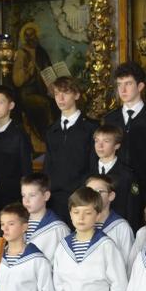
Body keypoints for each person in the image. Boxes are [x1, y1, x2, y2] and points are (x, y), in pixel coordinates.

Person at [104, 62, 146, 208]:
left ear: (140, 86)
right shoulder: (110, 119)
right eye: (119, 84)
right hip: (114, 186)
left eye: (128, 84)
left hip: (145, 186)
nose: (122, 90)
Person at [43, 76, 100, 219]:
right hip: (55, 199)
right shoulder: (51, 131)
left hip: (81, 197)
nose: (60, 98)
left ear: (76, 95)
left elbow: (94, 164)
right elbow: (48, 167)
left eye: (66, 92)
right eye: (57, 93)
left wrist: (86, 191)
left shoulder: (91, 128)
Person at [0, 85, 33, 212]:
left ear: (11, 105)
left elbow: (26, 171)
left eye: (0, 102)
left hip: (11, 199)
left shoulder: (19, 136)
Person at [92, 124, 138, 225]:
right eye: (97, 141)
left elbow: (132, 210)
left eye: (106, 141)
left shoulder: (127, 175)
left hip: (117, 226)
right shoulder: (89, 172)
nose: (100, 146)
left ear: (117, 145)